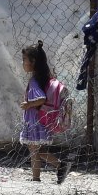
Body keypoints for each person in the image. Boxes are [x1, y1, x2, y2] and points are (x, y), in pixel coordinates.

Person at [20, 42, 70, 183]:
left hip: (35, 122)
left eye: (24, 59)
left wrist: (29, 104)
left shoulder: (35, 81)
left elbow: (41, 98)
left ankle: (61, 165)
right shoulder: (42, 78)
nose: (22, 62)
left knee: (36, 151)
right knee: (35, 151)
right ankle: (36, 177)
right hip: (38, 120)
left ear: (33, 61)